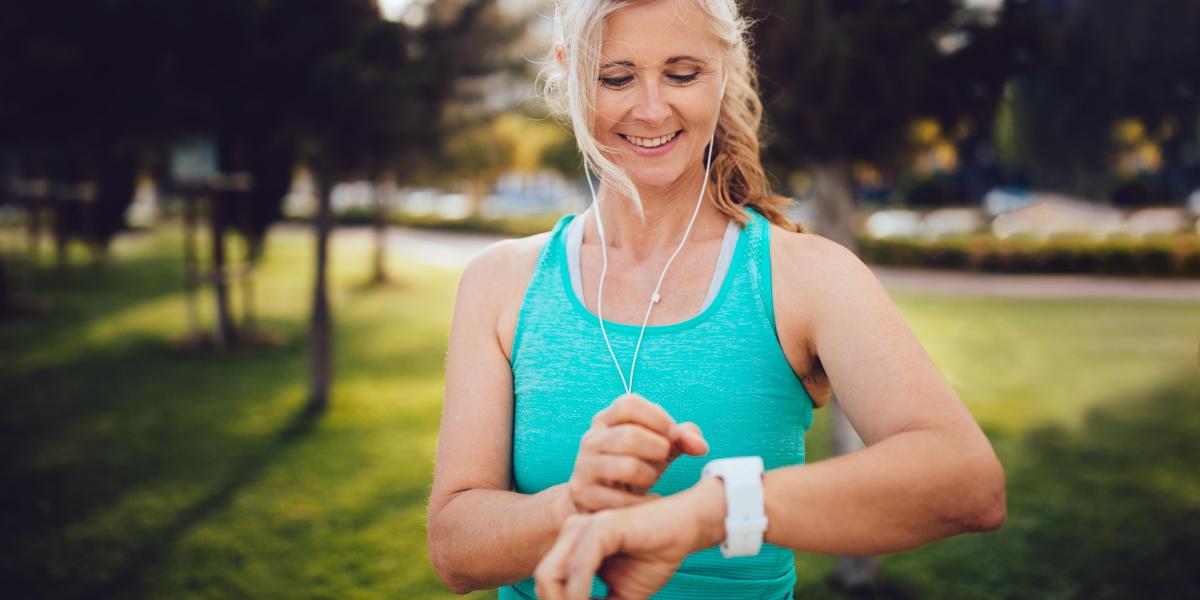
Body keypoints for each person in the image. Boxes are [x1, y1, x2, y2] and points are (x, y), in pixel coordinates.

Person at [426, 0, 1007, 598]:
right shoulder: (500, 281)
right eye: (616, 77)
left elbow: (966, 482)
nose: (651, 109)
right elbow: (454, 549)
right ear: (568, 70)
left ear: (724, 69)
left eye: (682, 74)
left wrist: (712, 511)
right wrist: (575, 505)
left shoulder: (804, 278)